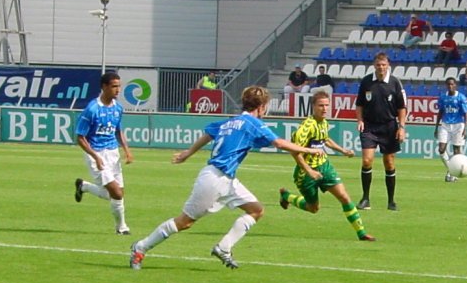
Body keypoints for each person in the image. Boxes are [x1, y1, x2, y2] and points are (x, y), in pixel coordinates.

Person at [128, 86, 322, 270]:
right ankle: (141, 247)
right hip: (214, 178)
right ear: (262, 107)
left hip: (227, 179)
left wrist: (189, 152)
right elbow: (279, 143)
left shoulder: (230, 121)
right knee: (184, 222)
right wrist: (308, 149)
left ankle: (224, 248)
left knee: (256, 210)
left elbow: (209, 133)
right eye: (266, 106)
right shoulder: (252, 123)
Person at [278, 91, 375, 241]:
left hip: (324, 166)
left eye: (326, 105)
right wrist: (309, 171)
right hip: (306, 174)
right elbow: (295, 152)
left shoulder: (324, 122)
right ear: (313, 106)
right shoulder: (306, 127)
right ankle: (287, 197)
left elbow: (325, 139)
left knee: (344, 197)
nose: (324, 109)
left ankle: (361, 233)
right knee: (313, 208)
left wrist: (342, 150)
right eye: (321, 105)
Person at [74, 72, 134, 235]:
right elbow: (80, 137)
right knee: (116, 193)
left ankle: (84, 186)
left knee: (117, 194)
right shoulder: (92, 109)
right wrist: (95, 157)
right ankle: (121, 227)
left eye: (119, 86)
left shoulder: (118, 108)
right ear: (104, 87)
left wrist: (127, 150)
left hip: (113, 153)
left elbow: (118, 130)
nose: (118, 90)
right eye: (114, 86)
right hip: (97, 154)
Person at [355, 52, 407, 211]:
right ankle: (365, 199)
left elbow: (401, 107)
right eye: (378, 65)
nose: (381, 68)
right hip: (369, 126)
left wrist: (402, 127)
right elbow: (359, 104)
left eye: (384, 65)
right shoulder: (366, 82)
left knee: (389, 163)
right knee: (366, 161)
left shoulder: (395, 83)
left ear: (388, 66)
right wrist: (360, 120)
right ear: (374, 66)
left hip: (389, 127)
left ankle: (391, 201)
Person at [434, 77, 467, 183]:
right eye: (448, 84)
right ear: (446, 85)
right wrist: (436, 127)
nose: (450, 86)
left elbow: (466, 114)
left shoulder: (461, 97)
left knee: (456, 151)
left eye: (452, 84)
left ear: (455, 85)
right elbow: (440, 112)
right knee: (441, 149)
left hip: (458, 125)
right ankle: (451, 169)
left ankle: (453, 174)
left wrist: (466, 128)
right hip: (445, 124)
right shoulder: (443, 97)